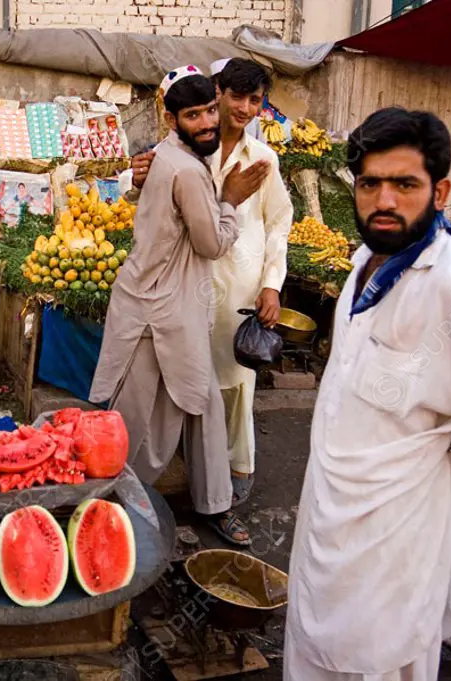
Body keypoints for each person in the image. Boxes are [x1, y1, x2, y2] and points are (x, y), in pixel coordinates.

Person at [284, 107, 451, 680]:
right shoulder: (365, 261)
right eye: (371, 183)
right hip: (330, 509)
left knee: (380, 658)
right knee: (312, 648)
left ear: (439, 191)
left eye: (405, 185)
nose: (385, 201)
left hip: (398, 533)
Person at [90, 66, 269, 546]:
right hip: (160, 314)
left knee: (203, 402)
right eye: (195, 115)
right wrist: (229, 200)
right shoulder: (187, 169)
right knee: (145, 422)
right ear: (172, 120)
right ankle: (110, 507)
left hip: (171, 308)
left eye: (210, 110)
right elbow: (211, 244)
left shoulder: (175, 156)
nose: (209, 121)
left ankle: (215, 504)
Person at [123, 59, 293, 508]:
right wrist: (136, 179)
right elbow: (146, 187)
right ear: (216, 94)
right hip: (186, 285)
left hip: (238, 286)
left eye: (255, 101)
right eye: (236, 97)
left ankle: (236, 477)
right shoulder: (186, 144)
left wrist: (272, 284)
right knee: (185, 382)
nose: (244, 108)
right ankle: (185, 478)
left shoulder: (263, 160)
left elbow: (278, 223)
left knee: (235, 385)